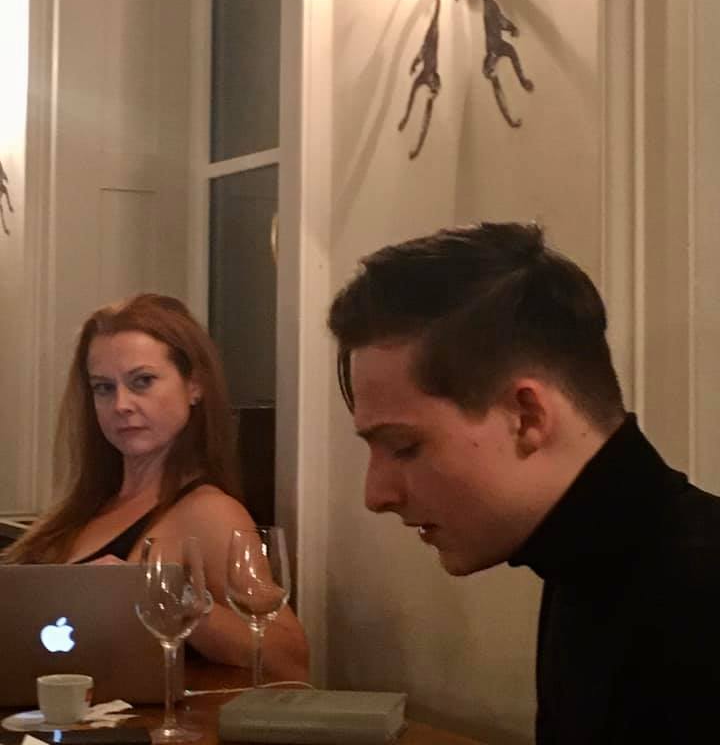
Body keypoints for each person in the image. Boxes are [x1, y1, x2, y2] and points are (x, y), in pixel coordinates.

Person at [327, 222, 720, 744]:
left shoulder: (699, 598)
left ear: (527, 416)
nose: (375, 495)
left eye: (405, 447)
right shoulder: (584, 562)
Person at [3, 292, 309, 681]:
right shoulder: (86, 506)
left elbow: (290, 658)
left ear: (194, 385)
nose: (121, 405)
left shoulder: (209, 513)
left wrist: (167, 595)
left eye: (142, 382)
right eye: (103, 388)